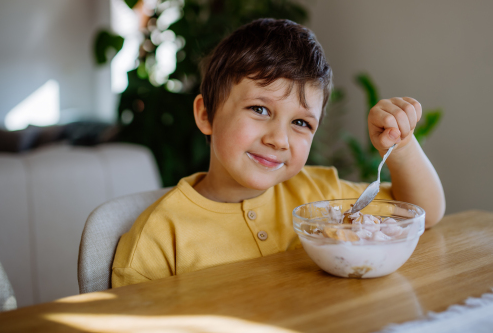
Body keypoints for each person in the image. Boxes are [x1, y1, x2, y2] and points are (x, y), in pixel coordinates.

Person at [111, 18, 445, 287]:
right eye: (259, 109)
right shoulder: (158, 238)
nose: (279, 139)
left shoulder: (320, 196)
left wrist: (400, 147)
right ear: (206, 114)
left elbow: (424, 213)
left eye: (301, 122)